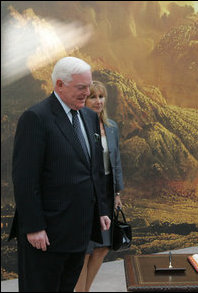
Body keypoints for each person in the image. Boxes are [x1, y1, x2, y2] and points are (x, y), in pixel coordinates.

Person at [8, 56, 111, 292]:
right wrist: (34, 227)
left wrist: (102, 209)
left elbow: (93, 168)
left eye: (89, 85)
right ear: (59, 85)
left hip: (78, 232)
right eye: (81, 87)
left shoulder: (88, 116)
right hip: (46, 235)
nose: (87, 92)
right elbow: (25, 178)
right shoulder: (36, 118)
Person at [75, 81, 124, 292]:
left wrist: (118, 192)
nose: (98, 101)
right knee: (85, 250)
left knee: (103, 247)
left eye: (101, 97)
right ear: (84, 100)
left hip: (106, 192)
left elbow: (117, 161)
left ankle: (84, 290)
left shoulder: (112, 127)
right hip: (85, 193)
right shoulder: (78, 127)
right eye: (93, 97)